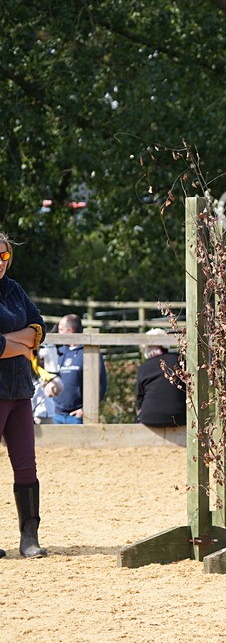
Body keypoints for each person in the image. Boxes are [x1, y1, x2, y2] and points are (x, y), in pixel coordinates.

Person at [0, 232, 49, 557]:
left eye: (4, 257)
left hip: (20, 391)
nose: (0, 263)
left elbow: (38, 328)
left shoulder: (14, 289)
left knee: (26, 466)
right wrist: (21, 344)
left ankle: (29, 538)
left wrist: (13, 342)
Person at [54, 313, 107, 424]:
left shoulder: (89, 352)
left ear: (70, 331)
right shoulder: (58, 353)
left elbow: (100, 385)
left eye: (60, 329)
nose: (58, 333)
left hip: (77, 416)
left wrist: (84, 410)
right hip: (56, 414)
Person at [135, 328, 187, 428]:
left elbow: (139, 399)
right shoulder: (179, 361)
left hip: (150, 418)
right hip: (180, 417)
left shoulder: (144, 367)